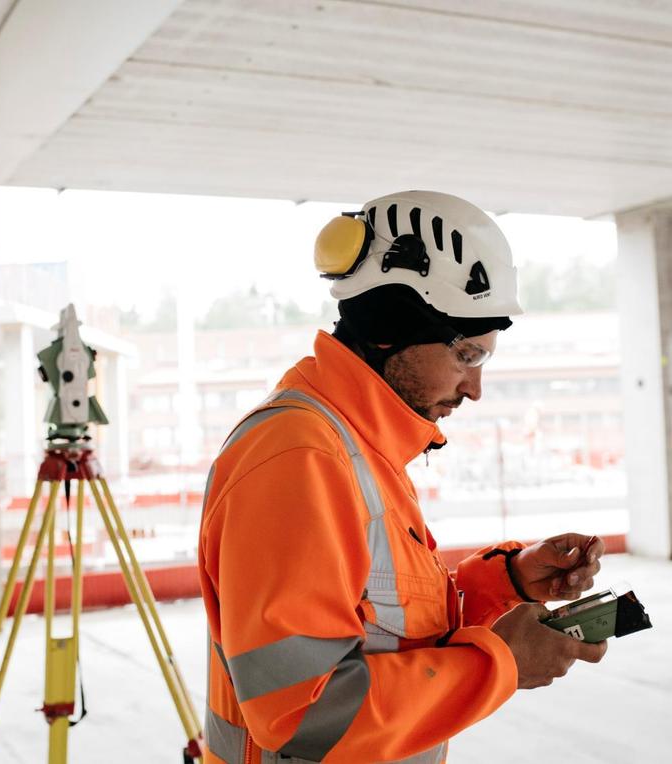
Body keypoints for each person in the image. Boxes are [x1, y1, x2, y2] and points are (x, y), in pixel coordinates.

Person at [198, 190, 607, 764]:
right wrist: (501, 664)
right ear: (390, 328)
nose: (475, 389)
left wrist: (507, 583)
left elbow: (386, 626)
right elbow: (302, 712)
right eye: (467, 355)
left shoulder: (360, 448)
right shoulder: (300, 458)